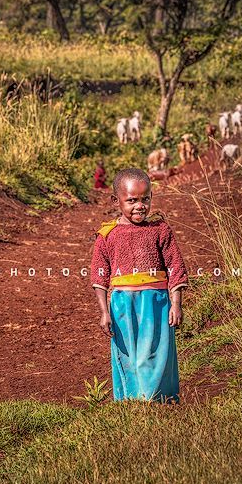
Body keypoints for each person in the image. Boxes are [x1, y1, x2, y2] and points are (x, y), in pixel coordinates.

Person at [90, 166, 189, 404]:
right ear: (116, 201)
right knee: (128, 356)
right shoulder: (107, 235)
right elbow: (99, 276)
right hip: (123, 305)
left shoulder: (160, 230)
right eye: (132, 200)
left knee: (156, 355)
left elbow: (175, 267)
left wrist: (176, 304)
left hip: (156, 305)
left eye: (146, 199)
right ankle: (132, 403)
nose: (140, 206)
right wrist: (104, 312)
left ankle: (157, 401)